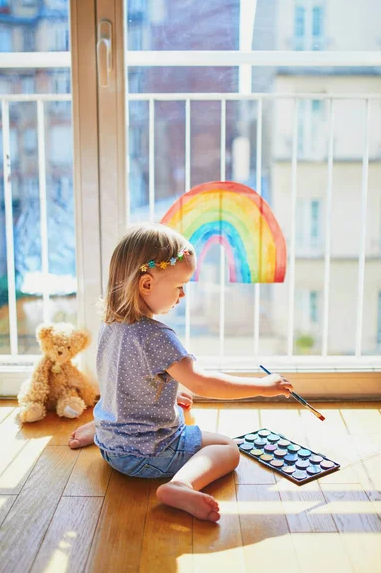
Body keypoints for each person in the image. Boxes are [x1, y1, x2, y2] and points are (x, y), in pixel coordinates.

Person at [70, 223, 294, 522]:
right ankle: (180, 485)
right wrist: (262, 386)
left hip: (111, 448)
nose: (183, 295)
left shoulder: (112, 324)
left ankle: (101, 427)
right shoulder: (157, 337)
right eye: (179, 286)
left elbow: (126, 379)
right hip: (148, 453)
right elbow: (204, 383)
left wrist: (173, 387)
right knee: (228, 449)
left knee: (175, 411)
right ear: (146, 284)